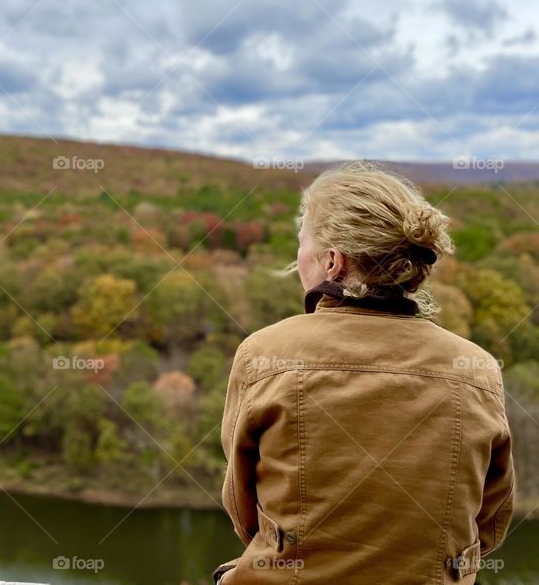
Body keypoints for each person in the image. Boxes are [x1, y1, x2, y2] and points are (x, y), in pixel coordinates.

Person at [212, 161, 515, 584]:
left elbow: (244, 513)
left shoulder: (265, 354)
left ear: (333, 262)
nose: (297, 258)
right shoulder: (477, 368)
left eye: (303, 243)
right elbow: (491, 520)